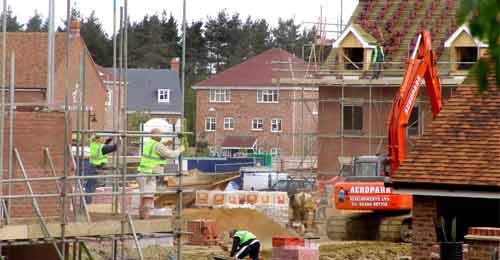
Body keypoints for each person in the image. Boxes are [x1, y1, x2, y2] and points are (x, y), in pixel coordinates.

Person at [137, 128, 184, 219]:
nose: (161, 136)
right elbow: (172, 155)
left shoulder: (149, 143)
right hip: (148, 175)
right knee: (148, 200)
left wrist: (165, 144)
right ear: (155, 135)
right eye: (160, 134)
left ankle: (141, 220)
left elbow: (159, 155)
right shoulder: (158, 145)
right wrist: (180, 149)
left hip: (143, 174)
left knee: (143, 199)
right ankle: (145, 222)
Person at [84, 135, 118, 203]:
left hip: (91, 165)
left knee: (89, 185)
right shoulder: (101, 147)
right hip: (96, 167)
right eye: (101, 138)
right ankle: (87, 203)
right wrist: (120, 139)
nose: (102, 139)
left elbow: (104, 146)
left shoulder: (93, 145)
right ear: (98, 140)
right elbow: (114, 147)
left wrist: (110, 139)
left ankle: (87, 202)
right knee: (91, 186)